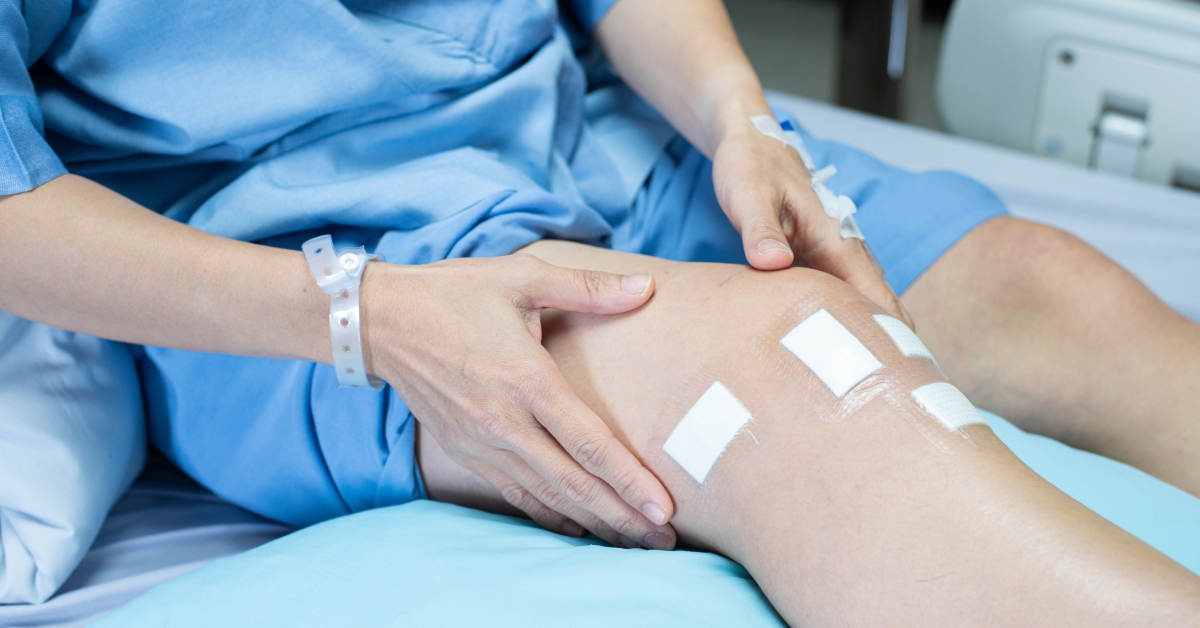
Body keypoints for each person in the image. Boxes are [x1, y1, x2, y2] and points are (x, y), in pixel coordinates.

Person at [1, 0, 1198, 622]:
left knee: (1052, 292)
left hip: (603, 136)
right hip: (317, 258)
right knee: (797, 378)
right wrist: (368, 314)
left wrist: (740, 117)